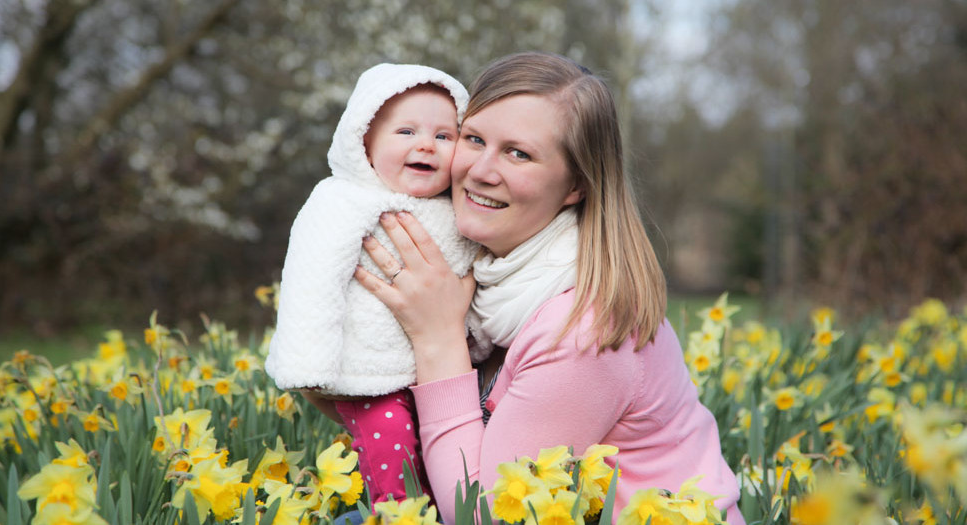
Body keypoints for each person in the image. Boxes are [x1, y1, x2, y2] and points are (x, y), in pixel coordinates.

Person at [355, 52, 746, 524]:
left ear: (575, 185)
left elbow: (481, 515)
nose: (480, 170)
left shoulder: (584, 328)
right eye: (474, 139)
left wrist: (437, 340)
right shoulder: (492, 279)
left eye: (518, 153)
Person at [264, 63, 486, 505]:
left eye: (445, 136)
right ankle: (398, 514)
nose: (426, 144)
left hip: (444, 370)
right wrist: (307, 364)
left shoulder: (460, 209)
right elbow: (312, 279)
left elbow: (477, 274)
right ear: (363, 141)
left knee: (445, 462)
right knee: (394, 457)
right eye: (406, 132)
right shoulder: (342, 200)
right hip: (368, 371)